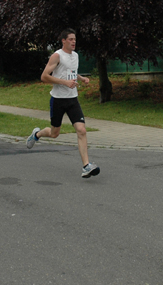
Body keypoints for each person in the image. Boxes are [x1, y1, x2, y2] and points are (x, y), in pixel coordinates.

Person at [26, 28, 100, 179]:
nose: (74, 42)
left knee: (82, 130)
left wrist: (80, 78)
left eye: (75, 39)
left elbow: (71, 71)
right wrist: (64, 83)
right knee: (55, 133)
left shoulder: (76, 56)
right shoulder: (57, 56)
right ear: (64, 41)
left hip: (73, 99)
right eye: (71, 39)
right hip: (58, 100)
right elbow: (44, 76)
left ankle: (86, 166)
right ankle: (37, 134)